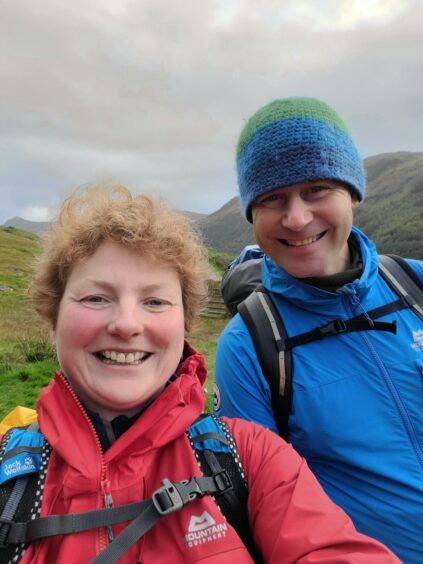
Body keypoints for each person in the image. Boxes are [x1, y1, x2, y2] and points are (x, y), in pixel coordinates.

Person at [0, 185, 399, 564]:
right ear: (53, 318)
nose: (126, 324)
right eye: (95, 298)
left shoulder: (252, 458)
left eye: (155, 301)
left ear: (184, 324)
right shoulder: (8, 468)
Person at [213, 96, 423, 563]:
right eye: (271, 198)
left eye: (317, 189)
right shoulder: (249, 345)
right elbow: (264, 505)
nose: (296, 218)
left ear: (352, 192)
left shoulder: (416, 285)